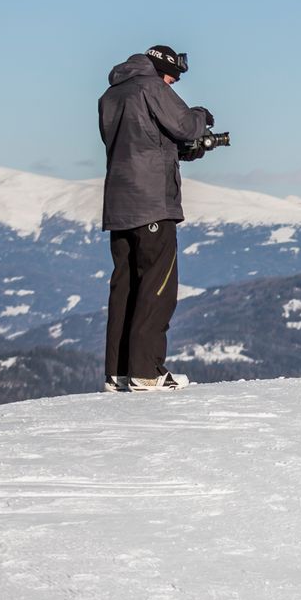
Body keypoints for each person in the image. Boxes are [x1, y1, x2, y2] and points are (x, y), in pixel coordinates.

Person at [97, 45, 215, 391]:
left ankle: (118, 372)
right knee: (156, 289)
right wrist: (201, 115)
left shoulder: (111, 95)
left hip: (119, 205)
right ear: (163, 70)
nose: (172, 86)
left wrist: (179, 151)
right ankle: (146, 372)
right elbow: (184, 124)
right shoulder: (150, 86)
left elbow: (141, 142)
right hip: (152, 204)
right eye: (172, 80)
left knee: (125, 288)